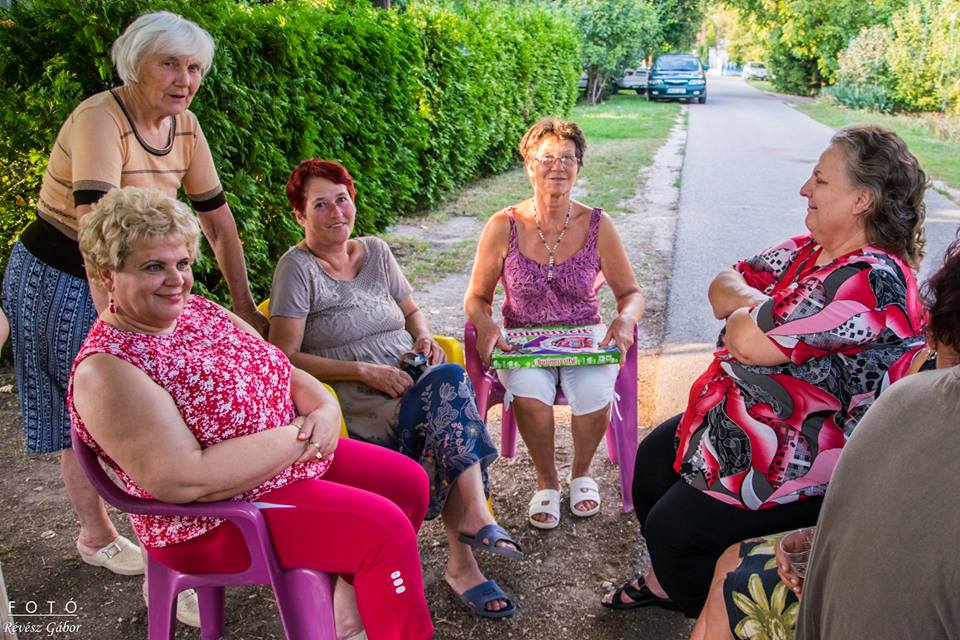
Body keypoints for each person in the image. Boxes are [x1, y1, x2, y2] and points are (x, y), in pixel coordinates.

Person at [69, 186, 434, 640]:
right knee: (383, 530)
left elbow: (278, 364)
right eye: (153, 267)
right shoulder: (108, 370)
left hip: (285, 467)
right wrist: (300, 434)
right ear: (108, 274)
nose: (176, 280)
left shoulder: (195, 311)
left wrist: (323, 405)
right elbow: (184, 480)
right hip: (216, 519)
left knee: (407, 484)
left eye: (182, 263)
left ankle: (347, 611)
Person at [602, 124, 927, 617]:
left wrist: (749, 318)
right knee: (649, 466)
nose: (804, 189)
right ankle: (671, 579)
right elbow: (722, 283)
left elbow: (748, 343)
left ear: (862, 200)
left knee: (673, 531)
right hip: (740, 412)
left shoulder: (869, 279)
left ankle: (715, 610)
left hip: (801, 454)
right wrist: (761, 307)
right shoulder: (809, 249)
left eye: (820, 180)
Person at [1, 11, 266, 586]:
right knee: (93, 415)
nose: (185, 79)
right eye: (169, 64)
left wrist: (245, 306)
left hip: (136, 276)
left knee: (168, 411)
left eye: (194, 67)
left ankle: (183, 548)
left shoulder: (185, 126)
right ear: (134, 65)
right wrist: (117, 330)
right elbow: (96, 231)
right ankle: (103, 539)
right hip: (61, 274)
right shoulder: (101, 117)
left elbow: (218, 223)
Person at [267, 159, 521, 620]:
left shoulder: (376, 252)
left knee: (447, 396)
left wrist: (423, 337)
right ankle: (467, 551)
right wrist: (363, 371)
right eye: (320, 205)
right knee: (451, 394)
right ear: (299, 214)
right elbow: (284, 356)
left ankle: (469, 540)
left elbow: (411, 311)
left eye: (342, 199)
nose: (335, 212)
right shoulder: (296, 269)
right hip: (362, 405)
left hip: (414, 382)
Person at [689, 235, 960, 640]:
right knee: (727, 560)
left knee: (724, 567)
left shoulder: (873, 286)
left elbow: (744, 336)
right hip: (862, 565)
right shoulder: (917, 383)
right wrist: (820, 537)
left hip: (872, 605)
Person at [464, 116, 645, 529]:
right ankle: (546, 480)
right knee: (530, 393)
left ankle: (582, 473)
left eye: (568, 157)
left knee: (595, 390)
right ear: (529, 165)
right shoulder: (503, 225)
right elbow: (476, 297)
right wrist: (486, 325)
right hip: (522, 339)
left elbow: (631, 293)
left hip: (584, 336)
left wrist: (625, 319)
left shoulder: (599, 225)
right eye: (546, 157)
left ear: (579, 166)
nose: (557, 166)